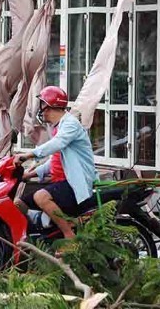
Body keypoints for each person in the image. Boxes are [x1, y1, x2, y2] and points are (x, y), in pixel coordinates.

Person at [13, 86, 97, 239]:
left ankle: (68, 232)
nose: (41, 110)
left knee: (41, 197)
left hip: (74, 184)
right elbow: (55, 161)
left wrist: (28, 155)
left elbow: (56, 144)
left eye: (42, 105)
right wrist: (29, 174)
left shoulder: (70, 125)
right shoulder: (59, 127)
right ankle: (38, 237)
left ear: (49, 106)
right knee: (18, 204)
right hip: (61, 182)